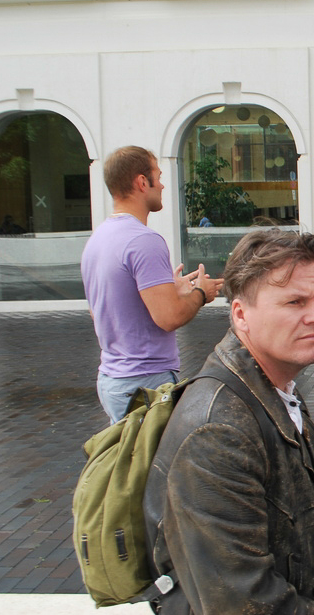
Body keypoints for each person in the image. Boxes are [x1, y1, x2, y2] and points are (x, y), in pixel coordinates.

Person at [143, 230, 314, 615]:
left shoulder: (276, 388)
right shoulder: (217, 432)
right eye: (294, 302)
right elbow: (242, 601)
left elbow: (300, 529)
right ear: (241, 314)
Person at [81, 146, 222, 424]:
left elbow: (101, 311)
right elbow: (169, 318)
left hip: (113, 380)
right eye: (158, 177)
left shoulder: (98, 239)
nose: (163, 185)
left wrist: (169, 291)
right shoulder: (144, 241)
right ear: (142, 182)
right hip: (145, 383)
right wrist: (200, 293)